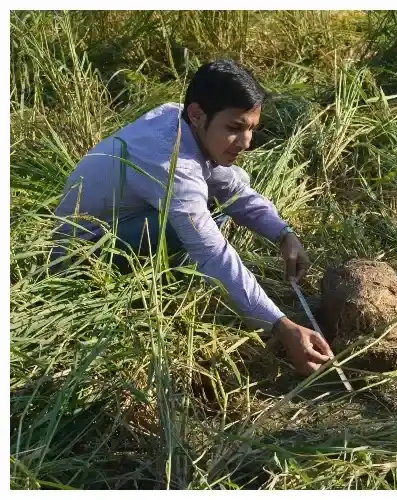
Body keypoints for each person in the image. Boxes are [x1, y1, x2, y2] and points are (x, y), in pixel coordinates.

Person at [52, 59, 334, 376]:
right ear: (198, 115)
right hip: (82, 254)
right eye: (235, 128)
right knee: (200, 222)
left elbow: (236, 192)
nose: (247, 142)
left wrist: (284, 234)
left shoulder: (186, 121)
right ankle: (150, 295)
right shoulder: (170, 161)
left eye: (252, 128)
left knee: (221, 195)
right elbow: (213, 251)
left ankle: (169, 279)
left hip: (127, 225)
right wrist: (281, 327)